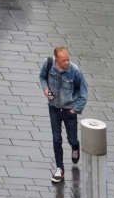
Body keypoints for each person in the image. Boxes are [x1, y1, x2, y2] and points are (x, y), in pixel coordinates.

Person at [38, 47, 88, 184]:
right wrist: (46, 90)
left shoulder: (75, 71)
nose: (67, 62)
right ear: (56, 60)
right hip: (54, 108)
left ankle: (75, 147)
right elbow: (42, 77)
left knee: (72, 138)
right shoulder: (48, 64)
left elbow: (84, 93)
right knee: (56, 139)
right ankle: (60, 168)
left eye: (68, 59)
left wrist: (75, 109)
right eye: (63, 60)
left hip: (69, 110)